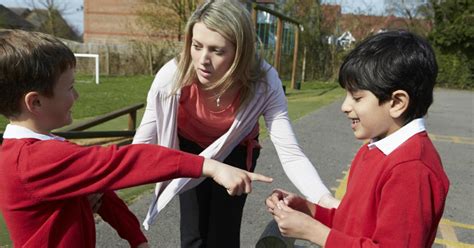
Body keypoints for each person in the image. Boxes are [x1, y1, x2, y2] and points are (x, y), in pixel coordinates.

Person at [0, 29, 273, 248]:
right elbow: (124, 162)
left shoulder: (46, 150)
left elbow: (102, 194)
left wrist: (136, 237)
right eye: (70, 88)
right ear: (35, 103)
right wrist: (209, 166)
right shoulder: (33, 160)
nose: (76, 97)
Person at [132, 0, 338, 247]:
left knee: (224, 234)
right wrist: (105, 186)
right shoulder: (171, 77)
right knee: (193, 232)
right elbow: (142, 144)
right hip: (191, 150)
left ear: (241, 51)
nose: (202, 60)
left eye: (217, 51)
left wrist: (327, 202)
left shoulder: (264, 83)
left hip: (235, 152)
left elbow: (291, 154)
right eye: (197, 46)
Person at [266, 30, 450, 247]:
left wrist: (315, 233)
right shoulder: (373, 149)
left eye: (357, 97)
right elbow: (350, 224)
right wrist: (308, 211)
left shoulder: (412, 169)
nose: (345, 106)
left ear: (397, 102)